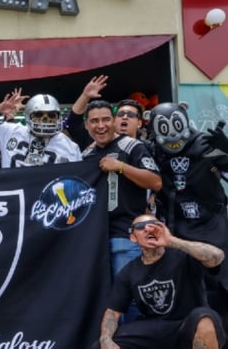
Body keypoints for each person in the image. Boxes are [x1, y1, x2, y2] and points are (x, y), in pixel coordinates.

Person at [149, 102, 228, 334]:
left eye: (175, 125)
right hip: (177, 229)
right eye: (164, 127)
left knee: (220, 284)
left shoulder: (205, 144)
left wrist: (226, 153)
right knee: (189, 290)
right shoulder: (152, 150)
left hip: (213, 226)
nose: (172, 133)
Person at [81, 100, 163, 323]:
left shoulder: (132, 146)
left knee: (132, 298)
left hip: (126, 237)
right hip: (95, 240)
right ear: (87, 126)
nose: (101, 126)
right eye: (94, 121)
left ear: (114, 121)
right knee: (105, 300)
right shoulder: (86, 154)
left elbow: (155, 182)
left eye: (106, 119)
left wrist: (121, 167)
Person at [95, 214, 225, 349]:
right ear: (133, 237)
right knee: (103, 345)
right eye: (140, 226)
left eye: (154, 224)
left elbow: (217, 256)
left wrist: (171, 240)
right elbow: (113, 312)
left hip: (188, 323)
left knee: (205, 318)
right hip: (156, 328)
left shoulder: (184, 256)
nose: (148, 228)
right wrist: (105, 338)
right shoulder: (128, 272)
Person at [0, 88, 81, 167]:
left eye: (52, 115)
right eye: (39, 115)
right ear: (28, 116)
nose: (45, 120)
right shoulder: (12, 130)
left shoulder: (70, 147)